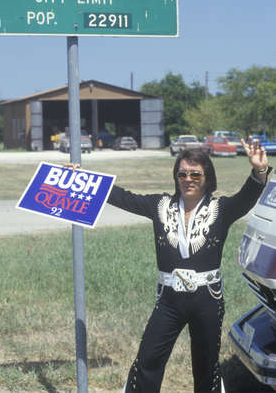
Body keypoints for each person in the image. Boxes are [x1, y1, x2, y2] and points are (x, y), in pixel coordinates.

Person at [66, 137, 271, 393]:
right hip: (168, 301)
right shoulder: (160, 205)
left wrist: (259, 170)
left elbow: (246, 198)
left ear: (207, 177)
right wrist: (83, 178)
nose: (188, 179)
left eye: (195, 174)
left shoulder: (221, 208)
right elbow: (122, 197)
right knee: (148, 360)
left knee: (206, 366)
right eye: (182, 174)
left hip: (207, 299)